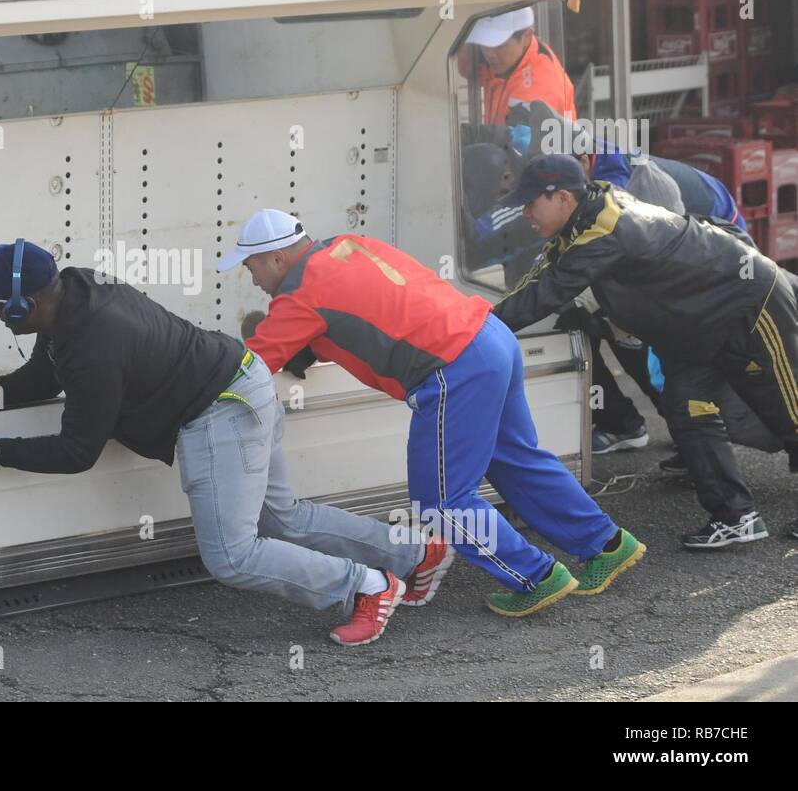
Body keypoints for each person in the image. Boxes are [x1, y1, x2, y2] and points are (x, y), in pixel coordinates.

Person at [0, 238, 444, 646]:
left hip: (221, 410)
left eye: (2, 310)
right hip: (242, 380)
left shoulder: (95, 345)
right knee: (282, 517)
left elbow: (76, 453)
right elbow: (42, 380)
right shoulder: (75, 292)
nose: (0, 319)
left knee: (232, 556)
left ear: (29, 303)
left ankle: (367, 587)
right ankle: (415, 553)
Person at [223, 209, 643, 618]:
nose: (254, 279)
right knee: (517, 460)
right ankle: (607, 544)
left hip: (453, 369)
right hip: (490, 337)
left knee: (440, 502)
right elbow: (372, 303)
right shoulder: (347, 245)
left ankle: (535, 577)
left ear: (277, 258)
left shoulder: (297, 297)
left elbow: (252, 368)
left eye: (252, 267)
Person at [496, 155, 798, 547]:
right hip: (697, 322)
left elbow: (546, 293)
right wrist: (480, 318)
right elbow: (541, 277)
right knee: (685, 405)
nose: (525, 213)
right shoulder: (586, 215)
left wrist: (476, 331)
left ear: (563, 198)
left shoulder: (605, 231)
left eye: (531, 203)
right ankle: (737, 516)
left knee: (787, 406)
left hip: (750, 299)